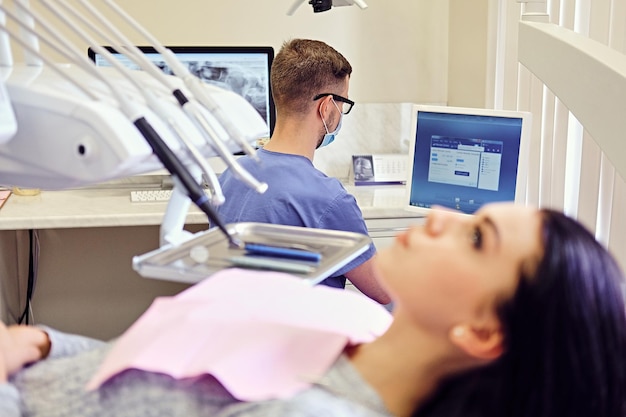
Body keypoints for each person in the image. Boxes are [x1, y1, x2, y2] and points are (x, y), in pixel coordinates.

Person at [2, 202, 626, 417]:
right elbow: (159, 368)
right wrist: (44, 342)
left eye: (476, 237)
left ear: (483, 331)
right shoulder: (358, 326)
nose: (440, 216)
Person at [215, 38, 391, 304]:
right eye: (343, 105)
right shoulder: (328, 199)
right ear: (326, 106)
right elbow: (383, 290)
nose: (341, 114)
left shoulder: (231, 175)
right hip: (303, 339)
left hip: (245, 332)